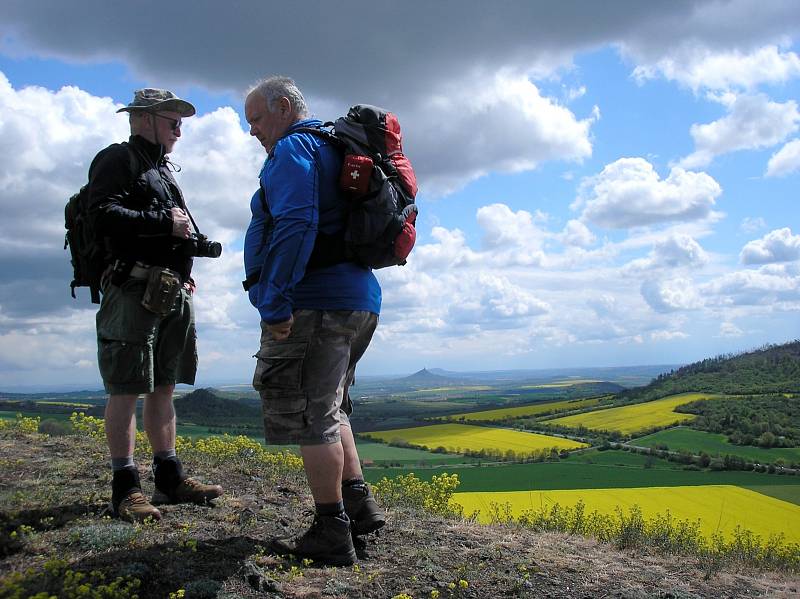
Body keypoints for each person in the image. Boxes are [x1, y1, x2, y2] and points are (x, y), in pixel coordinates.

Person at [243, 76, 385, 566]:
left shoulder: (295, 148)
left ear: (283, 106)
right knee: (332, 406)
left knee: (311, 415)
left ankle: (331, 529)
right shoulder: (335, 147)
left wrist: (275, 303)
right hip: (359, 301)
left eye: (256, 119)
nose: (254, 131)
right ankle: (358, 504)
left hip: (316, 301)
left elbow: (297, 222)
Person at [87, 88, 223, 523]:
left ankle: (169, 476)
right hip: (132, 289)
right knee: (126, 388)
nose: (179, 129)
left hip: (168, 290)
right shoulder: (117, 159)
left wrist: (183, 264)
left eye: (180, 121)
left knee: (163, 385)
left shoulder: (160, 170)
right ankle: (125, 488)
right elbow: (101, 214)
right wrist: (163, 222)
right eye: (171, 120)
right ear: (144, 120)